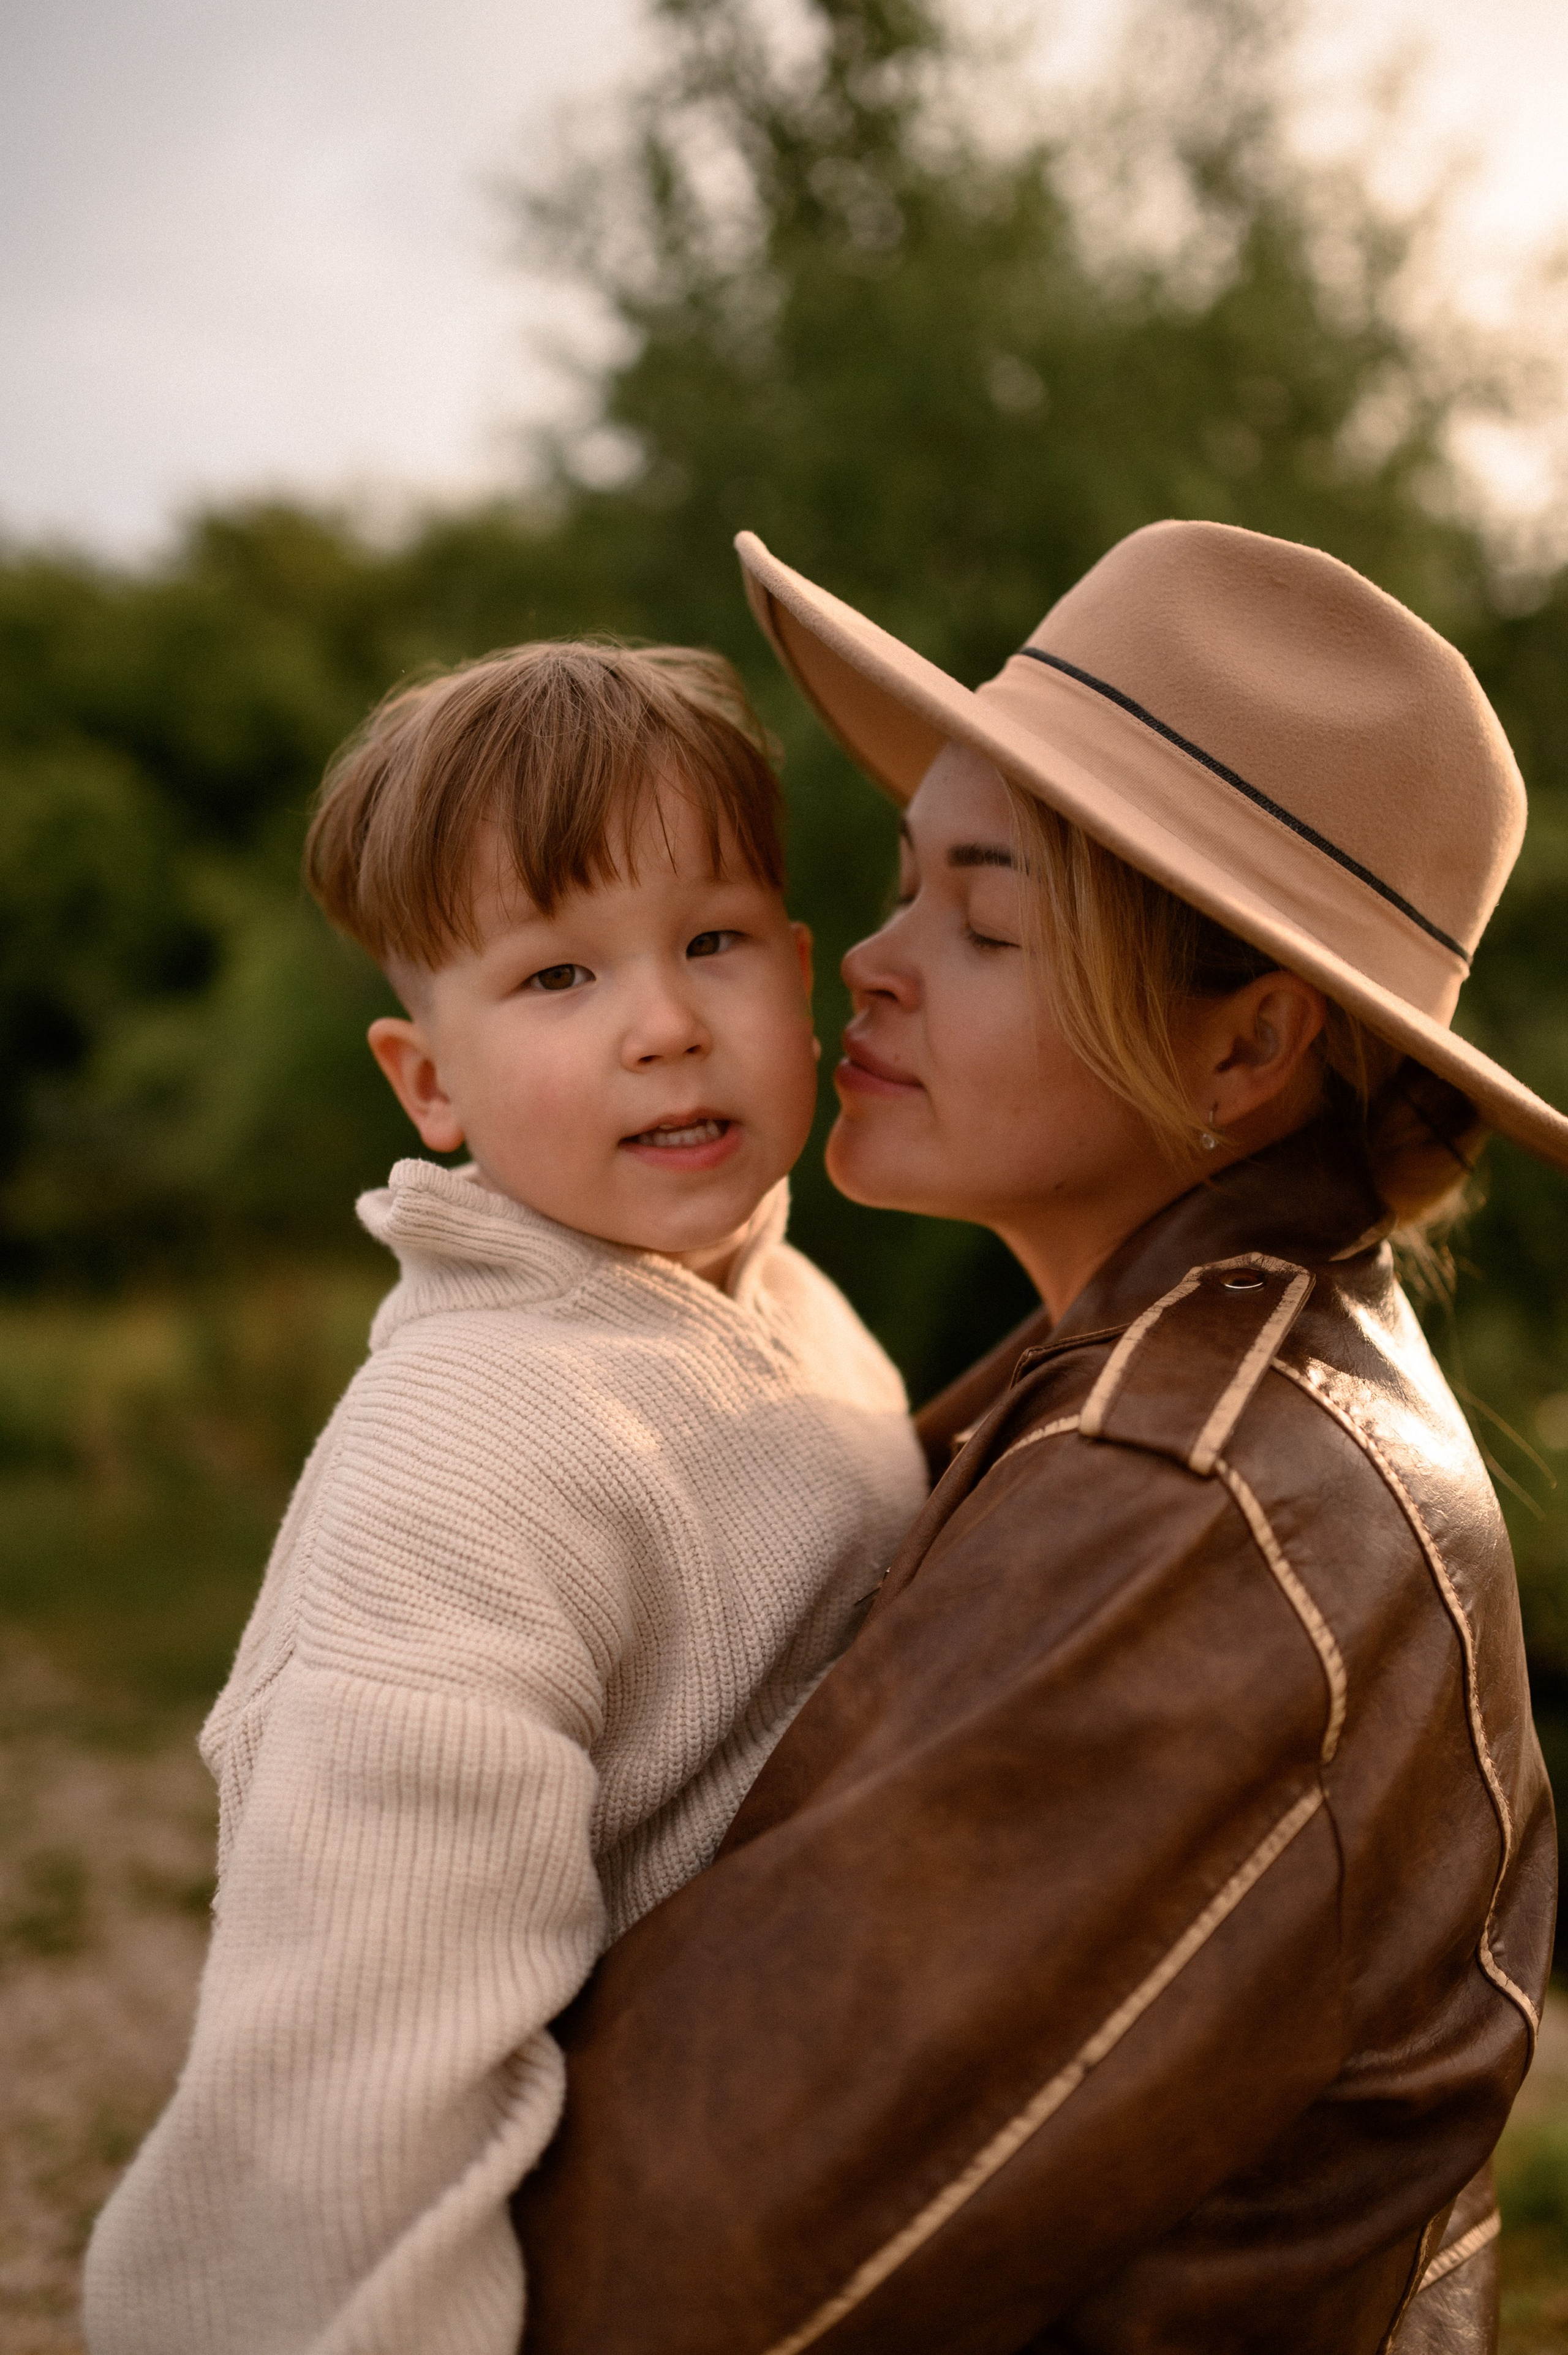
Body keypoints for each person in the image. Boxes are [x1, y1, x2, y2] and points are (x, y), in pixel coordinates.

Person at [512, 521, 1564, 2354]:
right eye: (913, 886)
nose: (879, 957)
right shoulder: (1170, 1378)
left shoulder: (1199, 1502)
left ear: (1246, 1052)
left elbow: (680, 2265)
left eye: (987, 920)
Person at [81, 642, 926, 2355]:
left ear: (800, 971)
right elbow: (354, 2075)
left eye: (711, 941)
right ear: (429, 1083)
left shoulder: (792, 1309)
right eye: (556, 976)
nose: (666, 1020)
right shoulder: (464, 1459)